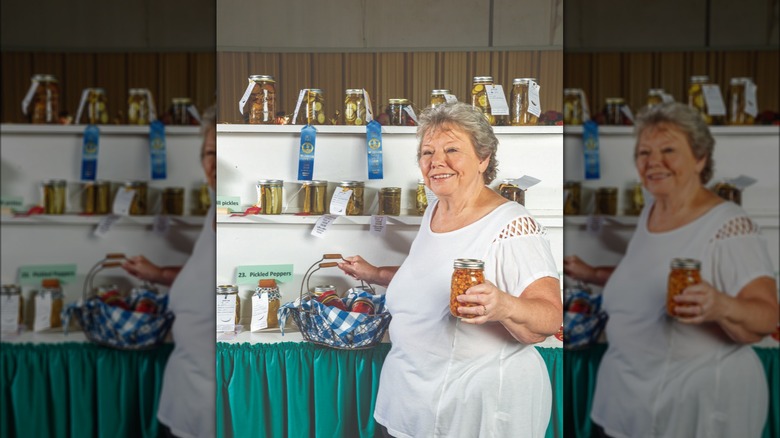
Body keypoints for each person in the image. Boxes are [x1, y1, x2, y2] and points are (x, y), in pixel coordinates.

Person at [338, 102, 562, 437]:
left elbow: (551, 316)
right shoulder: (435, 210)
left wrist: (503, 305)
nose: (436, 162)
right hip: (411, 401)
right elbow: (425, 276)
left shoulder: (512, 224)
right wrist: (373, 274)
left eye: (452, 149)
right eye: (427, 152)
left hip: (475, 409)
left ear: (483, 158)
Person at [564, 102, 777, 438]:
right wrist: (591, 273)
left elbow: (766, 316)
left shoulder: (730, 226)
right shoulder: (653, 209)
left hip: (694, 408)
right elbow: (643, 275)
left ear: (700, 158)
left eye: (668, 150)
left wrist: (720, 304)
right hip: (629, 400)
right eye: (644, 152)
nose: (653, 161)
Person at [121, 105, 217, 438]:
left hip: (210, 398)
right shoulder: (215, 209)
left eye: (224, 152)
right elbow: (203, 277)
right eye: (208, 154)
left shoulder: (241, 217)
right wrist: (158, 273)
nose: (214, 164)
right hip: (186, 385)